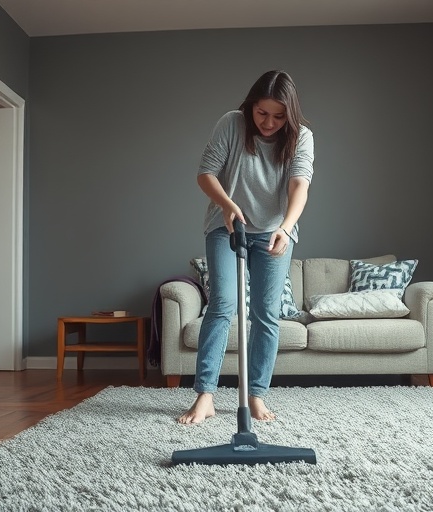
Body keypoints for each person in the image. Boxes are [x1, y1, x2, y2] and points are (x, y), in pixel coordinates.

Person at [178, 70, 314, 425]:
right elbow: (205, 173)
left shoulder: (302, 138)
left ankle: (255, 396)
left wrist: (285, 227)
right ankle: (205, 395)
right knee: (223, 303)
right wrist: (226, 203)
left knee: (266, 314)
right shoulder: (231, 124)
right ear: (251, 106)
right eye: (262, 113)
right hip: (227, 226)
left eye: (279, 116)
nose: (269, 123)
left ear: (291, 114)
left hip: (274, 233)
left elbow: (300, 185)